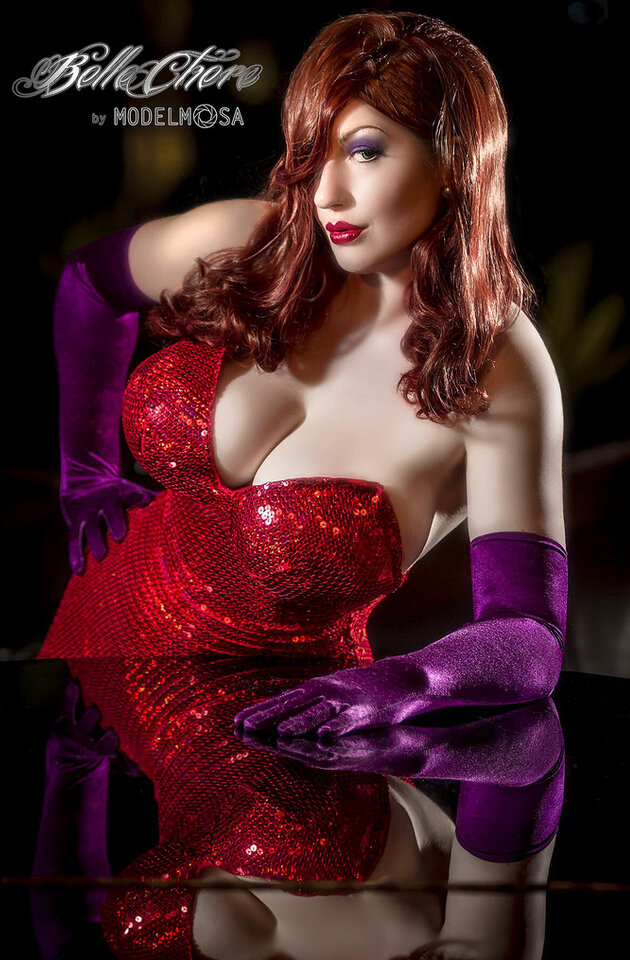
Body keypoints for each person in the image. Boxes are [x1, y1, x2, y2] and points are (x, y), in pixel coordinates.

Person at [35, 9, 568, 958]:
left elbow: (531, 636)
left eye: (364, 151)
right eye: (311, 152)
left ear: (457, 160)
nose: (326, 192)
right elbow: (89, 286)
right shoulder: (255, 243)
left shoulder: (496, 362)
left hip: (285, 738)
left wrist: (409, 681)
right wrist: (85, 473)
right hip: (79, 681)